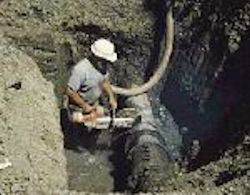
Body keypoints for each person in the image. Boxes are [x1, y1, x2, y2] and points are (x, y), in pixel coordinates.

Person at [66, 38, 118, 123]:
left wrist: (111, 97)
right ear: (97, 57)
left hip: (92, 105)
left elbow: (104, 81)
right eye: (104, 60)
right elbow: (70, 91)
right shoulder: (81, 69)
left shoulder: (101, 67)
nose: (106, 63)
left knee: (101, 115)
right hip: (77, 108)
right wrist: (84, 106)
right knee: (80, 120)